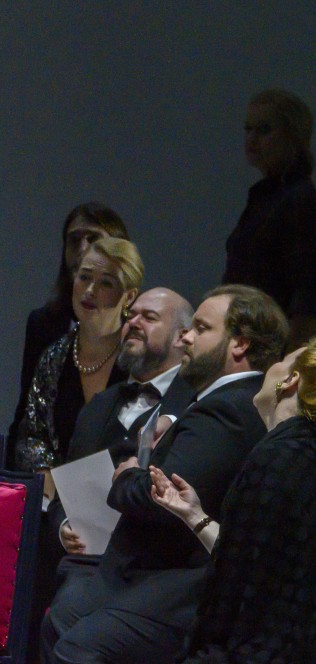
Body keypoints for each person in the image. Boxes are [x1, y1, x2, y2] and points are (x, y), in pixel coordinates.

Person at [42, 284, 288, 664]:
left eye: (202, 329)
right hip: (142, 566)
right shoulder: (218, 403)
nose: (187, 337)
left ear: (239, 344)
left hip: (177, 579)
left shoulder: (227, 409)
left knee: (79, 647)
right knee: (62, 616)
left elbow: (164, 497)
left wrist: (126, 475)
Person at [149, 342, 316, 663]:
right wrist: (195, 515)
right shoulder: (298, 451)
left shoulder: (281, 456)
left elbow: (244, 603)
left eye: (281, 361)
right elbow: (260, 561)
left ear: (291, 382)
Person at [50, 287, 196, 556]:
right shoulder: (97, 405)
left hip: (151, 566)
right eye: (131, 315)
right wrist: (64, 527)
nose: (133, 323)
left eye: (149, 317)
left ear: (182, 337)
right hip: (83, 564)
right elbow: (66, 492)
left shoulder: (194, 404)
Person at [8, 203, 129, 463]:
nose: (83, 249)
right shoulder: (50, 340)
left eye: (94, 239)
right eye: (74, 241)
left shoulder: (138, 344)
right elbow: (29, 425)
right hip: (53, 487)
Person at [224, 88, 316, 346]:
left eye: (264, 130)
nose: (251, 139)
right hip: (247, 340)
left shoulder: (299, 199)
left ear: (292, 136)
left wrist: (292, 364)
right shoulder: (266, 197)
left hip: (272, 348)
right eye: (248, 129)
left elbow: (307, 293)